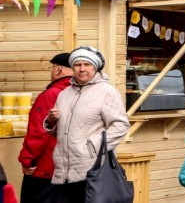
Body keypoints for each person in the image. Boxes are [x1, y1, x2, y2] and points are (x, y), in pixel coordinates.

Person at [42, 46, 129, 202]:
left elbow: (121, 126)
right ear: (72, 68)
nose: (82, 69)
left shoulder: (107, 92)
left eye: (87, 64)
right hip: (63, 171)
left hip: (92, 170)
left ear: (95, 67)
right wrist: (51, 121)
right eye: (77, 64)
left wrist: (92, 147)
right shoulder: (64, 94)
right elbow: (59, 132)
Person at [18, 53, 73, 202]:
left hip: (45, 169)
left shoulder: (51, 94)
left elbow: (39, 132)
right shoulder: (78, 93)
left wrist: (28, 160)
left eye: (52, 67)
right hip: (71, 171)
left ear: (58, 69)